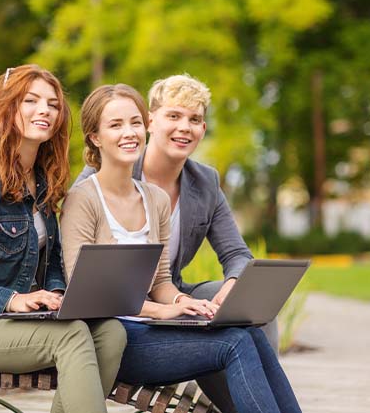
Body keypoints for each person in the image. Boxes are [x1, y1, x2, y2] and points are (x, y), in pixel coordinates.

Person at [61, 83, 301, 413]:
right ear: (95, 137)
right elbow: (84, 289)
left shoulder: (156, 197)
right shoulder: (83, 196)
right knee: (234, 344)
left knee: (250, 335)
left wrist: (183, 303)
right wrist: (163, 310)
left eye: (133, 123)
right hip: (111, 334)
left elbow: (161, 279)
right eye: (116, 125)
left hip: (151, 322)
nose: (128, 133)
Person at [0, 64, 126, 413]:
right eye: (31, 101)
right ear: (7, 109)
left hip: (20, 322)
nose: (45, 111)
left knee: (111, 333)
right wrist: (12, 300)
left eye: (53, 104)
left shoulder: (42, 182)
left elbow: (50, 260)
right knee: (71, 337)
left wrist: (54, 293)